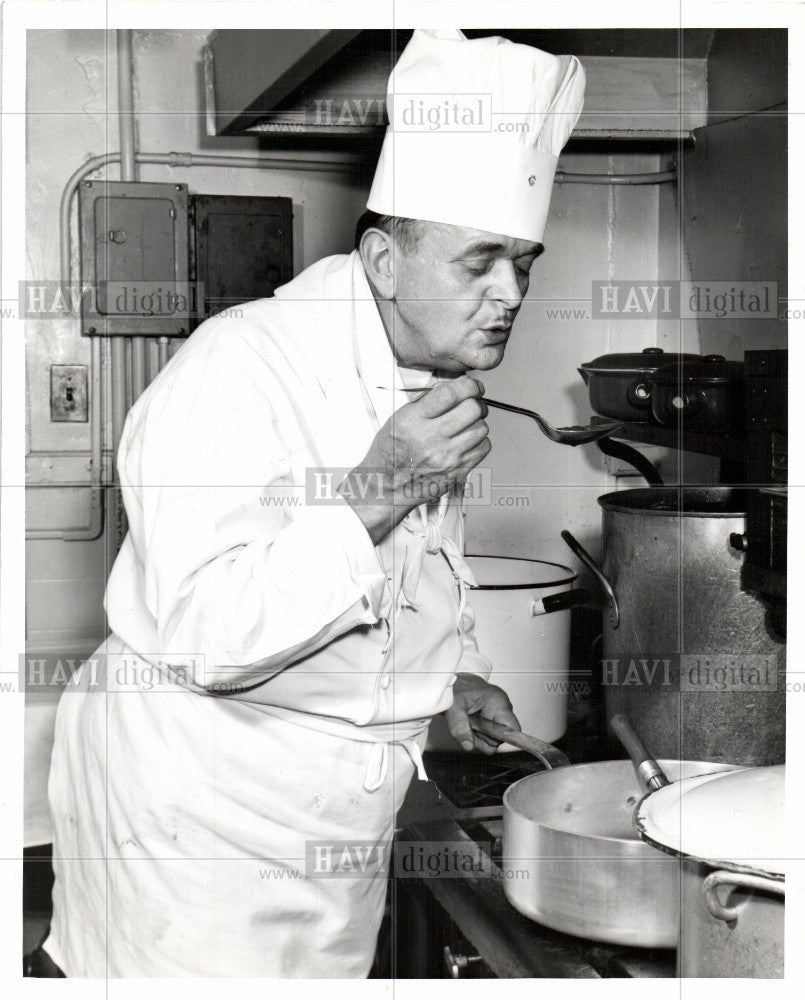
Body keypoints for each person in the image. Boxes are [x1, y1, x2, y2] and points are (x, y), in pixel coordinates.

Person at [41, 28, 584, 977]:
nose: (511, 294)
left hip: (332, 817)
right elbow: (210, 634)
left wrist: (453, 672)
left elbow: (418, 574)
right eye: (480, 261)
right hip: (200, 819)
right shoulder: (240, 367)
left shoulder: (426, 375)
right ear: (382, 259)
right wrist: (380, 486)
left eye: (524, 262)